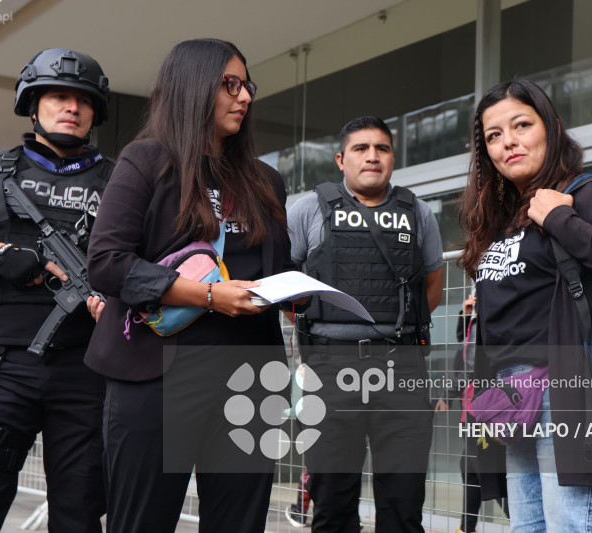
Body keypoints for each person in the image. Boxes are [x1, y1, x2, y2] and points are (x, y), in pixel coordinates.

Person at [84, 39, 295, 533]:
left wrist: (298, 291)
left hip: (251, 377)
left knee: (239, 523)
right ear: (193, 87)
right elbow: (108, 263)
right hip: (156, 376)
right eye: (230, 84)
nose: (244, 97)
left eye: (247, 86)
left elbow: (274, 270)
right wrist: (207, 295)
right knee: (142, 521)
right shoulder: (147, 161)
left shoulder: (266, 180)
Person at [457, 78, 592, 531]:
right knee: (526, 527)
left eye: (521, 124)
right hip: (513, 394)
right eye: (493, 135)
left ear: (551, 128)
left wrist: (560, 218)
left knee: (572, 524)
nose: (508, 141)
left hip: (568, 390)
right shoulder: (506, 216)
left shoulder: (587, 195)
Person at [0, 48, 112, 532]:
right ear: (34, 105)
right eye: (59, 97)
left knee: (80, 512)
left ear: (95, 113)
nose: (72, 107)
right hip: (5, 365)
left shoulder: (119, 183)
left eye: (83, 100)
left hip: (88, 370)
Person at [288, 116, 444, 532]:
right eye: (361, 148)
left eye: (382, 148)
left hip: (402, 370)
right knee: (333, 507)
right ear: (341, 160)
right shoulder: (308, 209)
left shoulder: (418, 213)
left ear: (393, 158)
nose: (372, 156)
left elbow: (432, 290)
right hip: (330, 370)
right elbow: (288, 290)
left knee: (403, 505)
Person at [435, 293, 508, 533]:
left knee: (487, 473)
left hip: (482, 411)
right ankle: (467, 528)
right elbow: (465, 347)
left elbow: (470, 364)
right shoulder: (479, 321)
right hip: (478, 409)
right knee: (472, 467)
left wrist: (447, 394)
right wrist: (466, 316)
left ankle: (528, 524)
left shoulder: (487, 319)